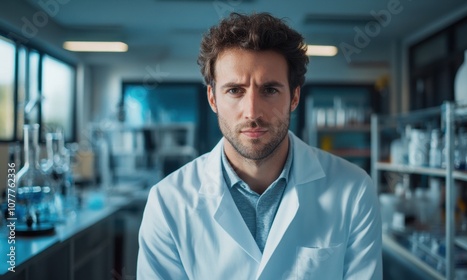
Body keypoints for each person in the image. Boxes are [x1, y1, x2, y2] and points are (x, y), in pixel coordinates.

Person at [137, 12, 382, 280]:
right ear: (212, 98)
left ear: (294, 97)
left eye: (269, 90)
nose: (252, 112)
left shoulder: (354, 190)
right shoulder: (168, 202)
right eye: (234, 91)